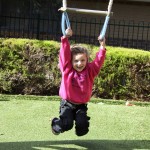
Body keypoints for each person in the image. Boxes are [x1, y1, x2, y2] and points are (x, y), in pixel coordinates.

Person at [51, 28, 106, 136]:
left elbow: (98, 61)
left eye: (82, 60)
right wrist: (65, 38)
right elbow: (64, 55)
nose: (79, 63)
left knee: (82, 127)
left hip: (81, 105)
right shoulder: (67, 69)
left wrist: (102, 46)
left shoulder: (90, 70)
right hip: (67, 103)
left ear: (87, 60)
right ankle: (55, 123)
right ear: (71, 61)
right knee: (67, 124)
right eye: (76, 61)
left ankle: (81, 128)